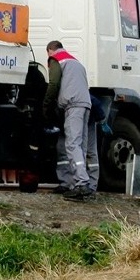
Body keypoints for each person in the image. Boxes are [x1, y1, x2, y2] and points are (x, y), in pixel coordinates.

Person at [42, 40, 92, 201]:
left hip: (73, 105)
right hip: (85, 104)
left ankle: (81, 184)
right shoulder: (76, 62)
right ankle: (78, 183)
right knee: (81, 146)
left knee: (71, 144)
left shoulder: (56, 59)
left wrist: (47, 105)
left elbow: (54, 83)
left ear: (50, 50)